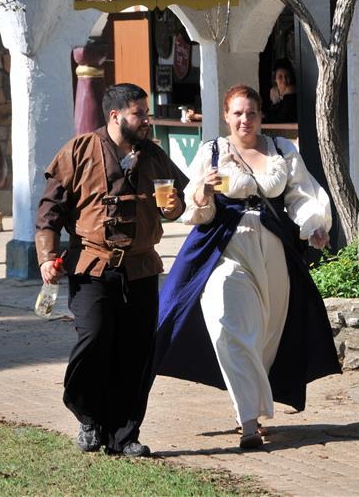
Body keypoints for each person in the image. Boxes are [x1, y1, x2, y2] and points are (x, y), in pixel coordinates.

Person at [155, 84, 340, 449]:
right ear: (226, 116)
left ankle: (253, 403)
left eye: (251, 113)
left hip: (272, 251)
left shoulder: (281, 150)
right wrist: (204, 194)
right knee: (229, 325)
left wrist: (314, 225)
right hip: (225, 247)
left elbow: (300, 195)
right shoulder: (212, 153)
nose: (245, 120)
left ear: (260, 116)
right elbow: (196, 208)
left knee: (265, 335)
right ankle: (249, 422)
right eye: (237, 113)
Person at [35, 83, 189, 456]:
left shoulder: (153, 156)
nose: (147, 121)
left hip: (140, 269)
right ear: (115, 116)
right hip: (92, 266)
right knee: (94, 342)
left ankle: (125, 435)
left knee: (136, 352)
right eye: (139, 114)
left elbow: (177, 204)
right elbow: (49, 211)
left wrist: (171, 207)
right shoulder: (80, 150)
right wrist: (46, 256)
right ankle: (89, 419)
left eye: (147, 113)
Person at [265, 58, 298, 123]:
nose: (284, 80)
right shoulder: (273, 92)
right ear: (275, 79)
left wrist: (266, 116)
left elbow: (282, 118)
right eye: (280, 77)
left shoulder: (291, 91)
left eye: (287, 76)